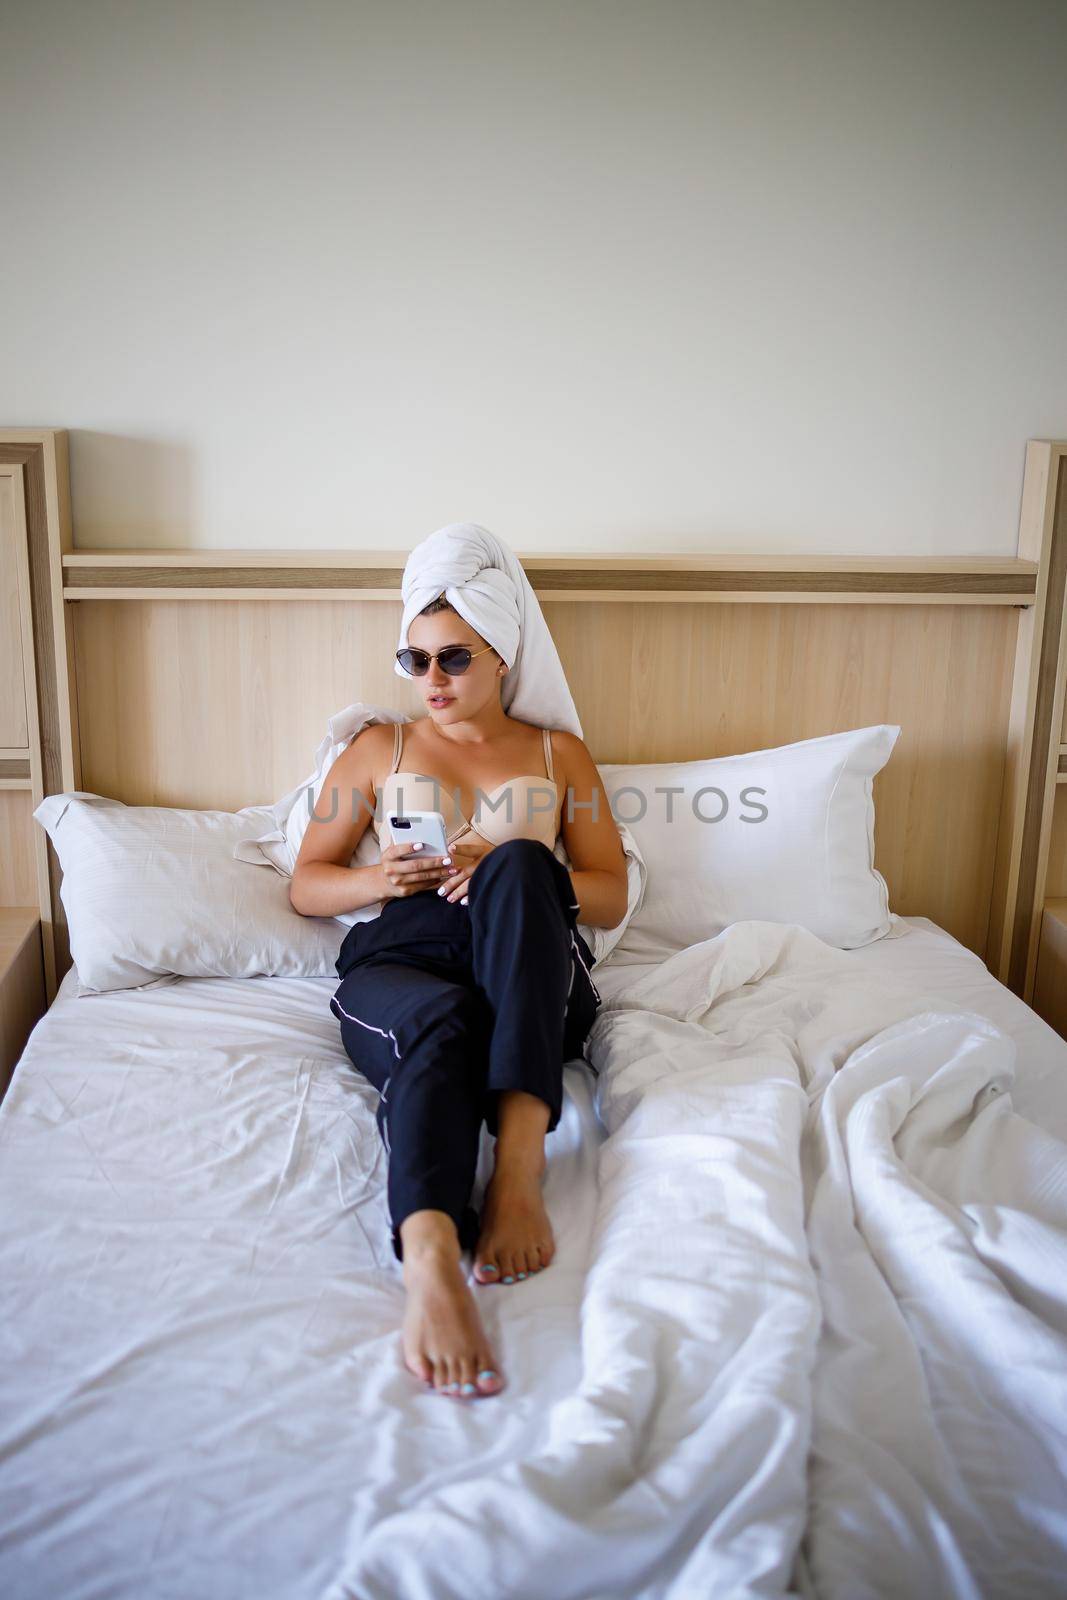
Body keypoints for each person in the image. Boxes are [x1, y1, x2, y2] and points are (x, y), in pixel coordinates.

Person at [290, 525, 628, 1403]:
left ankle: (518, 1165)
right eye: (414, 660)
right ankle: (431, 1257)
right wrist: (376, 875)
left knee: (522, 862)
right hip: (406, 959)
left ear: (502, 657)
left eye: (453, 660)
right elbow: (306, 885)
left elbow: (612, 894)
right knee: (440, 1025)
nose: (431, 681)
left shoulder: (559, 756)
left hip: (527, 959)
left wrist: (522, 864)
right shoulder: (378, 749)